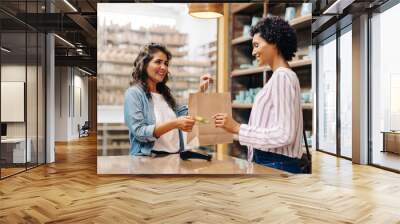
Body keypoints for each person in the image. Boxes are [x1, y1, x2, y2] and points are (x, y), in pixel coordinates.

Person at [213, 16, 305, 173]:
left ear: (274, 42)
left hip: (275, 163)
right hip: (274, 162)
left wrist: (237, 128)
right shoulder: (283, 76)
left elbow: (284, 134)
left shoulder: (282, 77)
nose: (254, 51)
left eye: (257, 45)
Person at [124, 43, 212, 156]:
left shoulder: (165, 94)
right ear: (144, 64)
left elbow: (187, 114)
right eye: (158, 62)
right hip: (149, 160)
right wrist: (175, 123)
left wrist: (201, 91)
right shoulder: (134, 94)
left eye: (166, 63)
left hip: (174, 158)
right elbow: (140, 132)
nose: (164, 67)